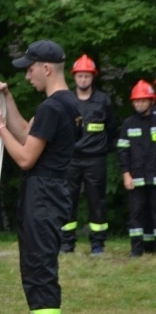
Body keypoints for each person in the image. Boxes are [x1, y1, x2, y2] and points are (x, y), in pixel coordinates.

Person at [0, 39, 80, 314]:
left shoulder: (53, 108)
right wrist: (6, 99)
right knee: (38, 272)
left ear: (46, 68)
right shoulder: (64, 103)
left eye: (30, 69)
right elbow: (27, 133)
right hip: (50, 194)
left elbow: (24, 156)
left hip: (45, 196)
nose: (27, 76)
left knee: (39, 274)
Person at [60, 54, 116, 255]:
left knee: (97, 201)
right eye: (80, 76)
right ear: (74, 77)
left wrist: (103, 148)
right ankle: (67, 244)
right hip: (71, 159)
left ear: (93, 77)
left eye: (87, 76)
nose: (83, 79)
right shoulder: (67, 100)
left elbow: (111, 128)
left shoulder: (103, 100)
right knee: (67, 200)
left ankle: (97, 244)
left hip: (95, 159)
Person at [116, 80, 156, 258]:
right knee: (136, 214)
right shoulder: (128, 124)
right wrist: (126, 174)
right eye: (136, 101)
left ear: (151, 101)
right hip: (136, 179)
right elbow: (123, 151)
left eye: (143, 100)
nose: (139, 103)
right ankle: (136, 249)